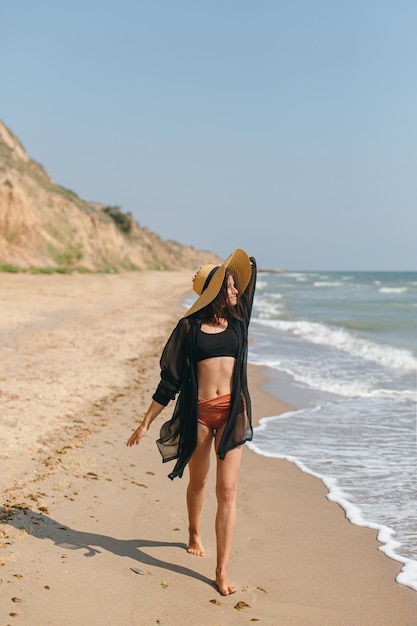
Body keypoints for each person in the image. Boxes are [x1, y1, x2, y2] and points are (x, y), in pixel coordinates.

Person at [127, 248, 257, 595]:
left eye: (236, 288)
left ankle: (221, 571)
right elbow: (169, 382)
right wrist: (145, 423)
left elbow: (249, 286)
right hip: (198, 413)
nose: (236, 292)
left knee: (226, 490)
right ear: (215, 290)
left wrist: (243, 268)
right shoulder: (189, 329)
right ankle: (193, 531)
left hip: (232, 413)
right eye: (230, 287)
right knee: (198, 483)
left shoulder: (239, 325)